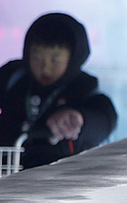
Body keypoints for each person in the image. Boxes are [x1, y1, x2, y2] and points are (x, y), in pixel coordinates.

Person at [0, 13, 117, 171]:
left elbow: (105, 118)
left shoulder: (83, 87)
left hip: (58, 182)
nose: (45, 68)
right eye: (38, 58)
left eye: (55, 60)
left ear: (72, 59)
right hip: (7, 174)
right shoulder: (13, 77)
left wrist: (80, 119)